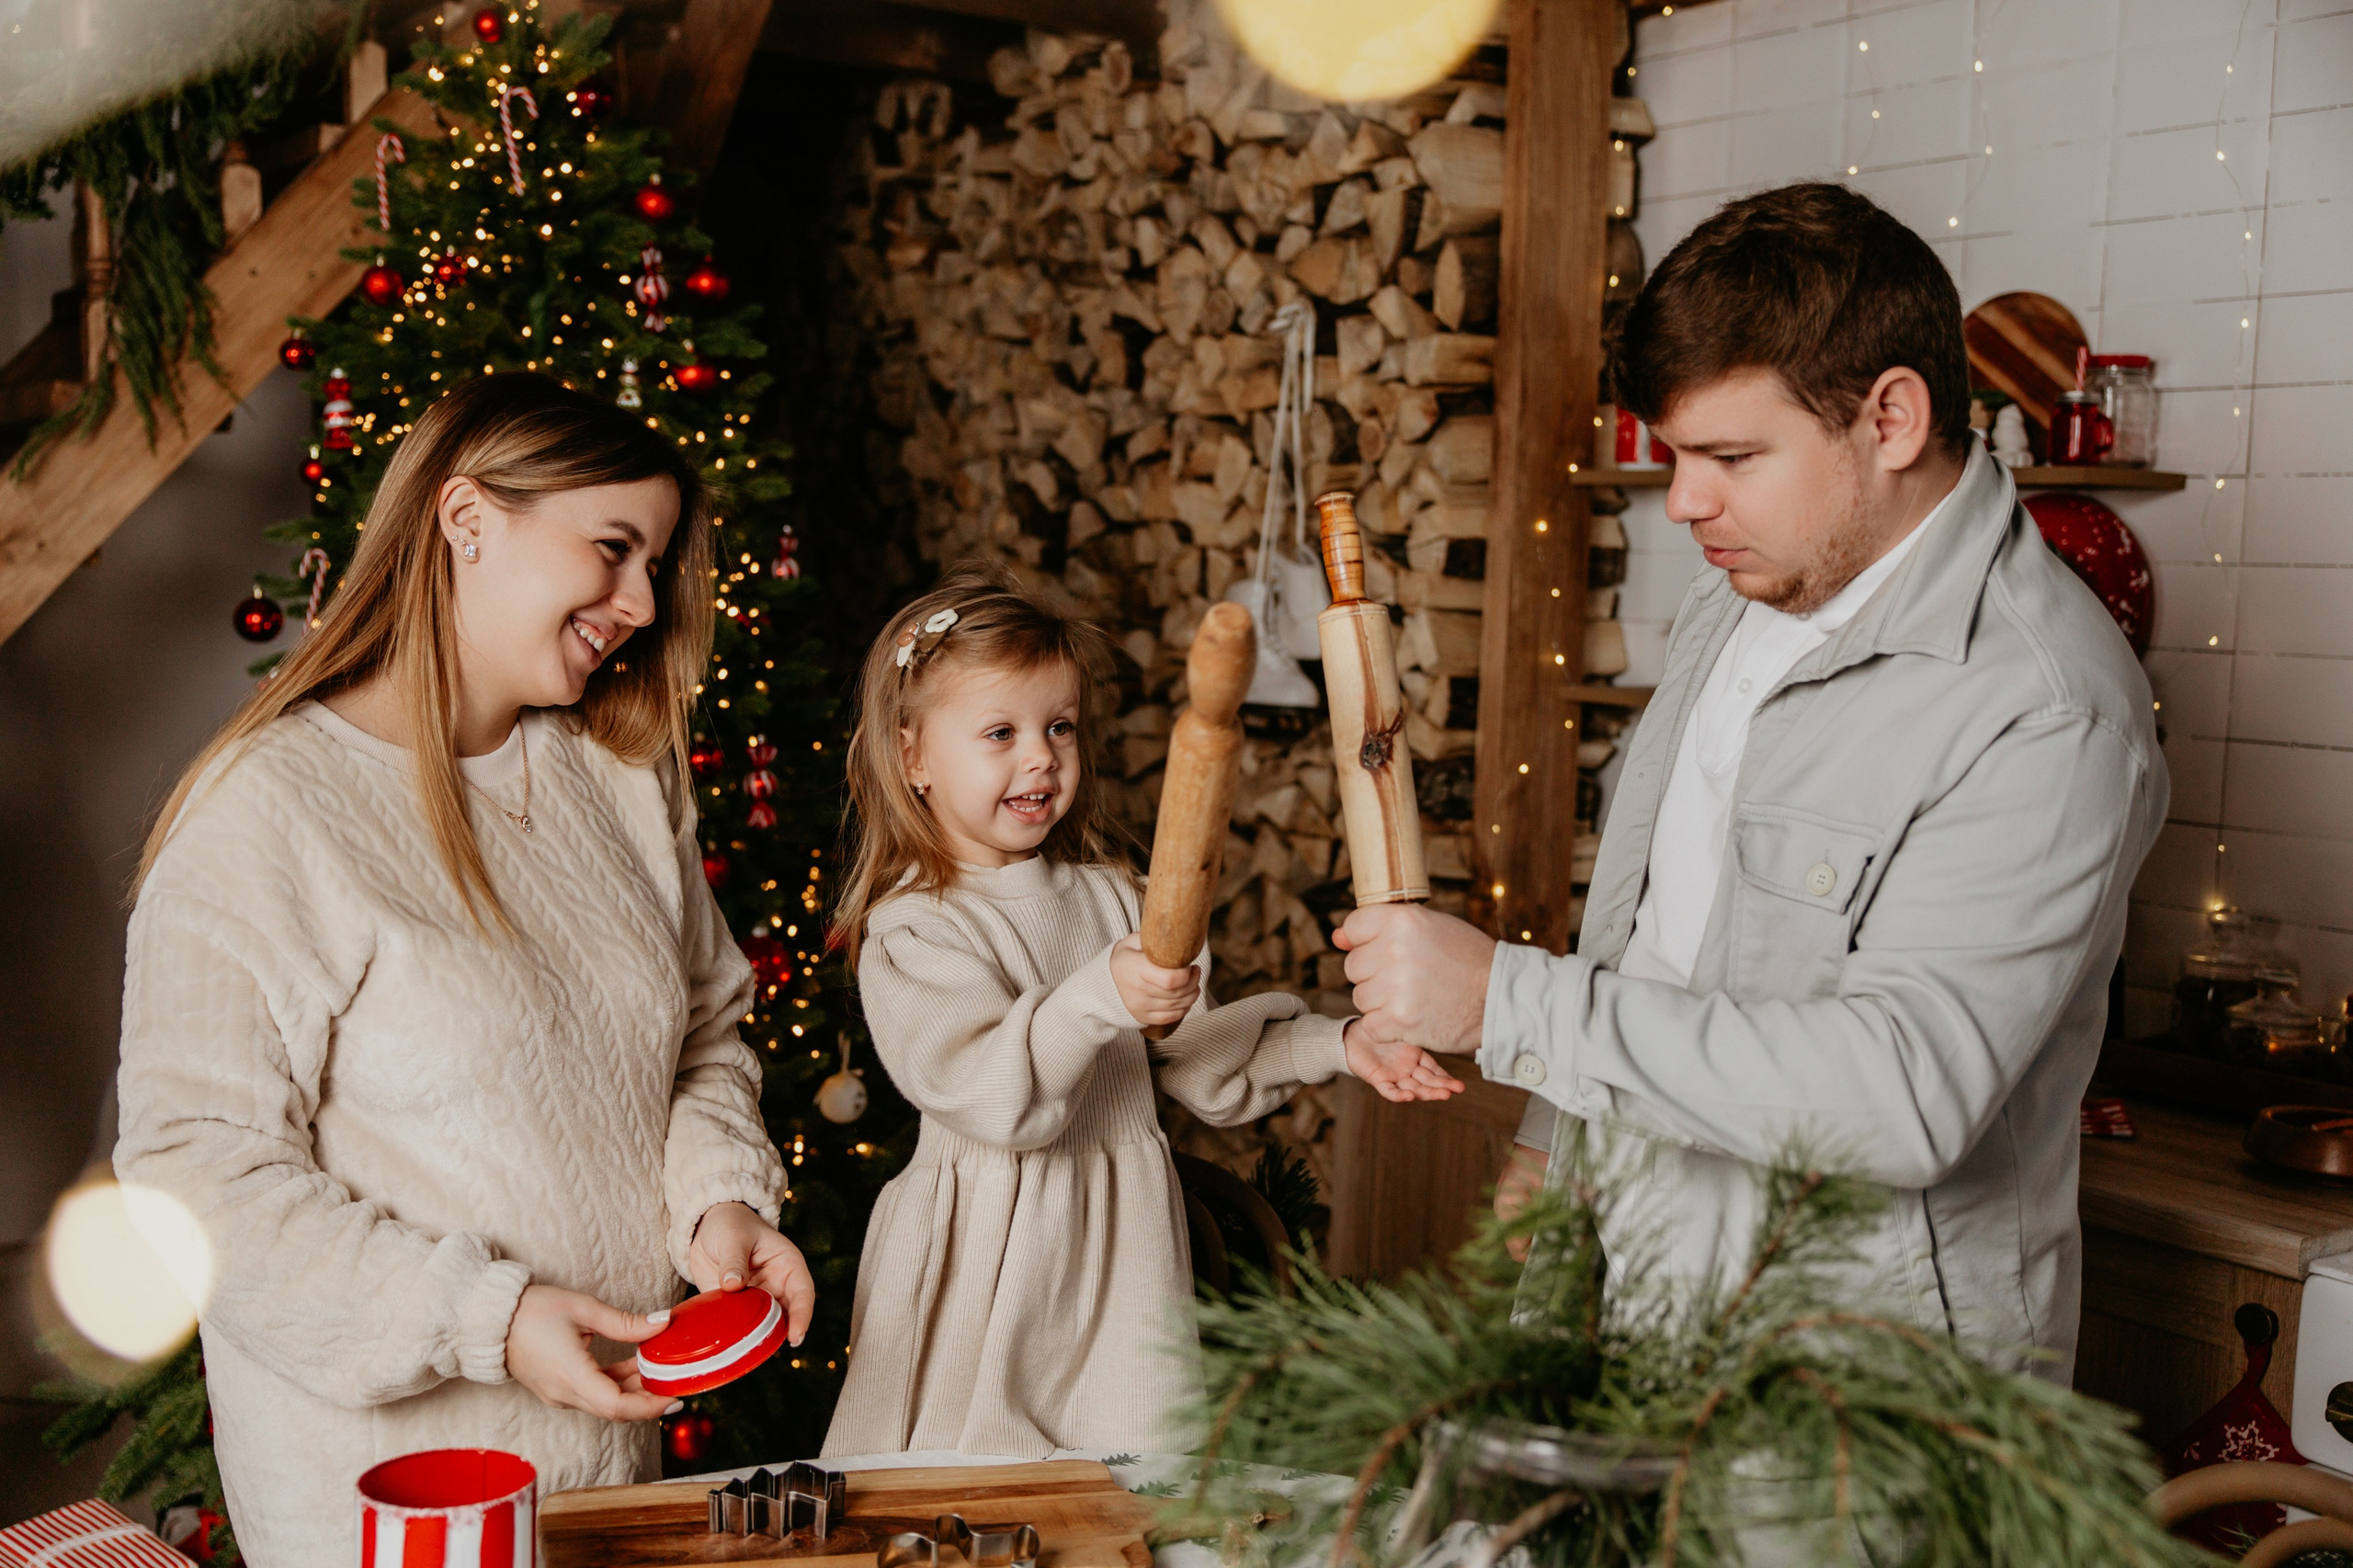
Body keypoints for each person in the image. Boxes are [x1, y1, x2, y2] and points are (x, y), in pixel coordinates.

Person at [1335, 183, 2166, 1378]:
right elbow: (1659, 936)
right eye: (1676, 455)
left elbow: (1905, 1092)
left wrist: (1508, 1005)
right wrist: (1553, 1149)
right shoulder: (1745, 595)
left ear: (1889, 418)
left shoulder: (2046, 703)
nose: (1683, 501)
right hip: (1622, 1296)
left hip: (1854, 1392)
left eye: (1730, 455)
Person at [114, 374, 811, 1565]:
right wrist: (483, 1317)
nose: (641, 601)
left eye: (656, 562)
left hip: (599, 1473)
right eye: (614, 547)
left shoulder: (621, 781)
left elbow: (700, 1035)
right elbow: (194, 1177)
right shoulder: (272, 811)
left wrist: (717, 1201)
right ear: (467, 520)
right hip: (383, 1500)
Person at [821, 573, 1461, 1459]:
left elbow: (1201, 1060)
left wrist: (1338, 1043)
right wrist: (1096, 999)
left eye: (1059, 727)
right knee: (969, 1491)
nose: (1040, 757)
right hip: (989, 1254)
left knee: (1130, 1489)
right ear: (915, 755)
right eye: (1001, 733)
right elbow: (983, 1092)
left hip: (1121, 1250)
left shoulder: (1118, 902)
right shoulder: (916, 927)